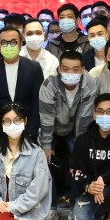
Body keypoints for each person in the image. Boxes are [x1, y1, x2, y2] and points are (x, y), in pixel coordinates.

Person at [38, 50, 98, 205]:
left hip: (76, 127)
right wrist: (46, 144)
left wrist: (80, 145)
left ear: (83, 69)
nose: (70, 73)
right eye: (66, 69)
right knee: (44, 161)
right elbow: (46, 117)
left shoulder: (90, 83)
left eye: (75, 69)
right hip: (51, 128)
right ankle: (50, 205)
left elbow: (84, 117)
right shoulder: (49, 85)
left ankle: (76, 201)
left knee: (81, 161)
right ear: (59, 69)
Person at [0, 25, 44, 140]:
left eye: (13, 42)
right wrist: (2, 129)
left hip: (27, 130)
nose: (9, 46)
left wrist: (30, 131)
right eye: (4, 43)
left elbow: (37, 103)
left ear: (20, 45)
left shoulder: (34, 68)